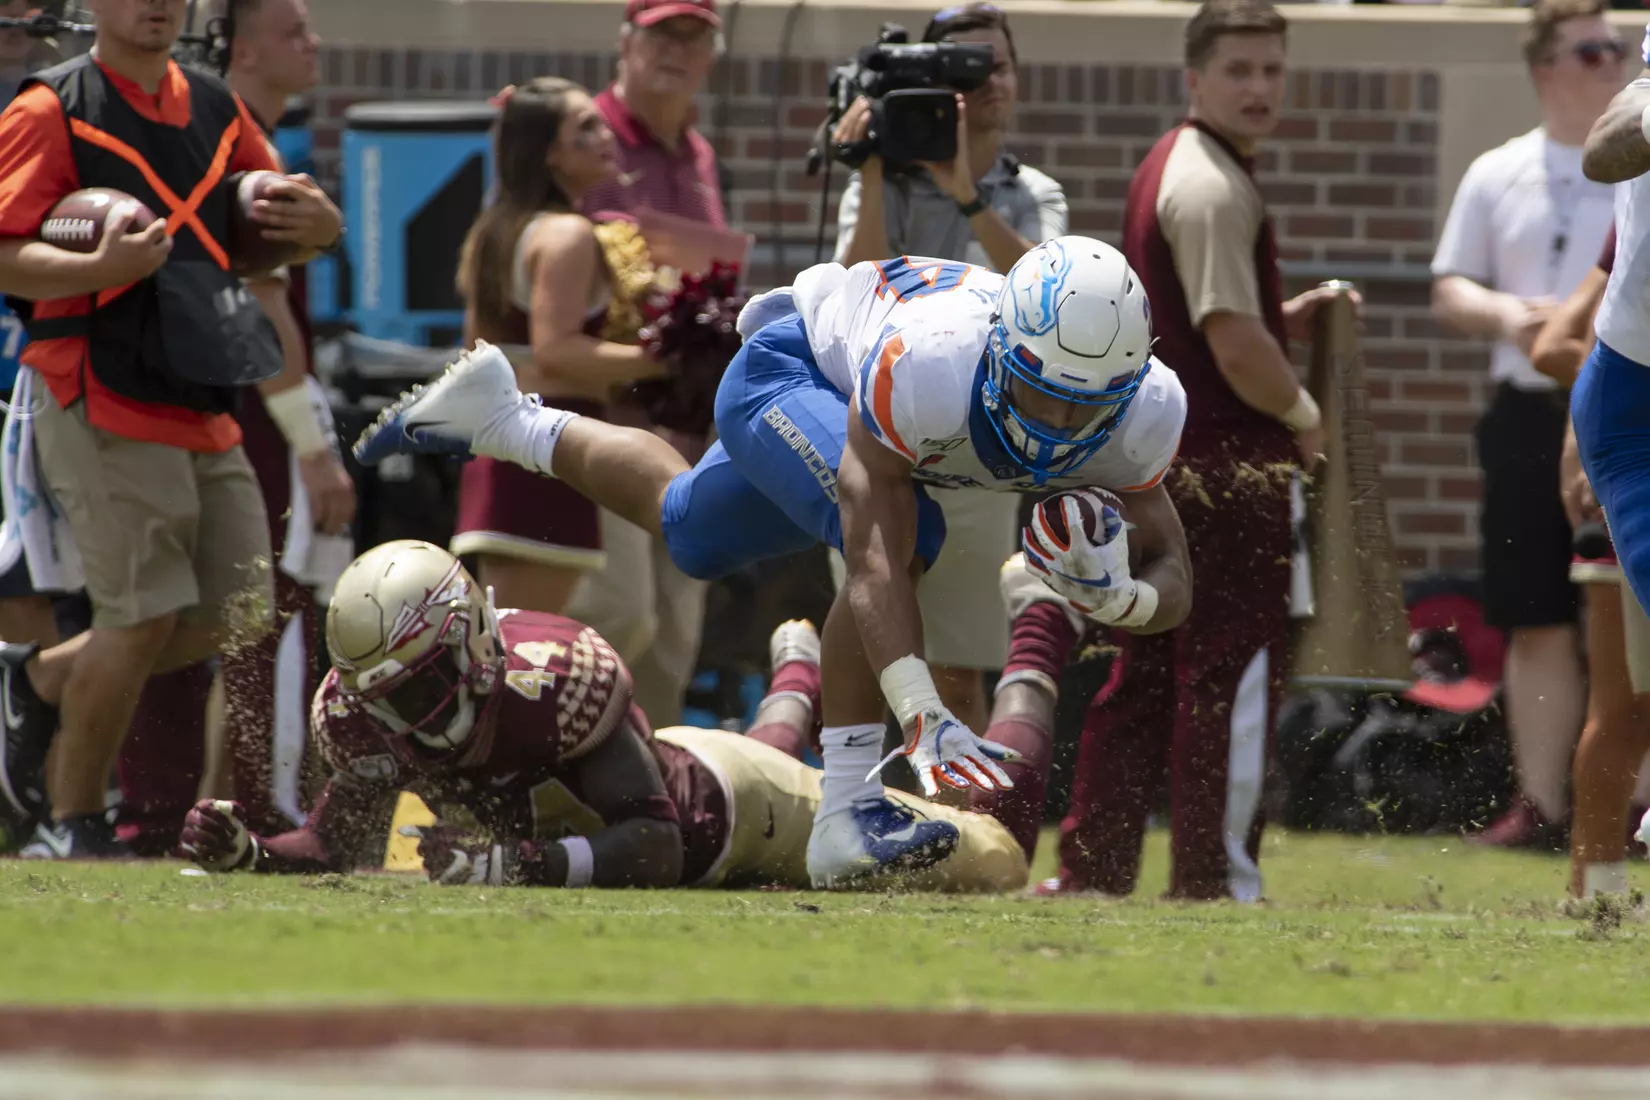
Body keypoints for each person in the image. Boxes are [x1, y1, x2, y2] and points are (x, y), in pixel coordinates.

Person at [353, 236, 1193, 889]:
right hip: (792, 367)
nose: (1055, 423)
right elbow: (870, 546)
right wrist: (920, 710)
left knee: (689, 529)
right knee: (912, 540)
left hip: (868, 415)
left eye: (1085, 405)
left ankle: (500, 418)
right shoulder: (933, 361)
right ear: (1005, 345)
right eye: (1042, 389)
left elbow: (1175, 575)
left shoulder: (1146, 409)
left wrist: (1120, 598)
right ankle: (849, 807)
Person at [179, 540, 1027, 893]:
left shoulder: (555, 679)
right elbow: (336, 842)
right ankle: (795, 675)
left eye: (421, 681)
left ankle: (1037, 629)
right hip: (667, 770)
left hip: (731, 812)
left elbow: (654, 842)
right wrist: (252, 852)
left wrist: (512, 865)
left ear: (470, 642)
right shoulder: (361, 719)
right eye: (386, 694)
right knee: (757, 737)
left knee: (997, 853)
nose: (406, 714)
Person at [0, 0, 341, 858]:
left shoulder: (217, 105)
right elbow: (5, 247)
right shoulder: (50, 107)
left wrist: (318, 228)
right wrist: (93, 266)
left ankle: (32, 680)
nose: (155, 3)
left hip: (202, 386)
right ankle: (71, 823)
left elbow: (274, 220)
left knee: (236, 610)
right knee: (140, 612)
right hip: (95, 383)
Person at [1037, 0, 1341, 901]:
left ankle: (1093, 870)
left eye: (1272, 70)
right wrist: (1304, 410)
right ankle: (1218, 879)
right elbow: (1232, 341)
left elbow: (1196, 329)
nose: (1259, 88)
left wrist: (1281, 323)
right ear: (1195, 78)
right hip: (1230, 471)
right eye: (1240, 70)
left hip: (1164, 460)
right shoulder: (1211, 183)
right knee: (1233, 674)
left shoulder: (1171, 164)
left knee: (1145, 673)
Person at [829, 1, 1068, 739]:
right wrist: (872, 170)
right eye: (964, 70)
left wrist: (966, 193)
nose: (987, 82)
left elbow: (1046, 296)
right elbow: (847, 294)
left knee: (958, 672)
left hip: (978, 452)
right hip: (873, 446)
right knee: (865, 670)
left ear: (1018, 77)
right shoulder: (884, 182)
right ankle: (864, 834)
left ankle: (956, 842)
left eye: (996, 64)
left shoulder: (1033, 193)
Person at [1430, 0, 1625, 850]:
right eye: (1592, 51)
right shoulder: (1497, 170)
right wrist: (1511, 316)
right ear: (1546, 68)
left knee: (1629, 608)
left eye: (1618, 49)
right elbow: (1449, 285)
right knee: (1533, 609)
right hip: (1524, 413)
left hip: (1620, 407)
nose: (1613, 62)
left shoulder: (1638, 165)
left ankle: (1628, 810)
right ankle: (1541, 805)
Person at [562, 0, 731, 727]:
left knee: (673, 638)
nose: (677, 51)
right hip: (605, 416)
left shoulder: (699, 154)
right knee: (616, 621)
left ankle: (649, 812)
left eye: (694, 38)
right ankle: (568, 784)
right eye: (663, 34)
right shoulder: (587, 138)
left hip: (684, 432)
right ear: (626, 42)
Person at [450, 76, 669, 621]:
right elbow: (557, 352)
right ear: (550, 154)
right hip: (547, 447)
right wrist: (665, 358)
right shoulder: (568, 235)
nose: (605, 134)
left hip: (505, 446)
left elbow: (476, 350)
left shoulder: (494, 228)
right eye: (586, 127)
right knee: (527, 648)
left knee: (555, 631)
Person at [215, 0, 356, 835]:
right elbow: (265, 303)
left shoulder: (239, 138)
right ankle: (271, 805)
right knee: (271, 612)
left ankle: (192, 803)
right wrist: (311, 445)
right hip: (252, 419)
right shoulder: (239, 145)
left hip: (224, 410)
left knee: (231, 617)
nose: (313, 43)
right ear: (241, 49)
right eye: (293, 31)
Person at [1529, 226, 1650, 898]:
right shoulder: (1632, 231)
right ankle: (1598, 896)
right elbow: (1556, 345)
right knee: (1627, 708)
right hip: (1631, 484)